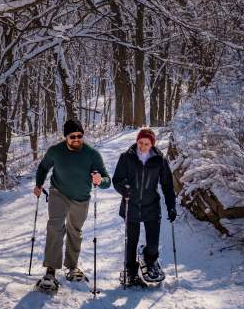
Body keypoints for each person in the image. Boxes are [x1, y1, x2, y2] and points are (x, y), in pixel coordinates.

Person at [33, 119, 111, 291]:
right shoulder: (56, 151)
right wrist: (39, 185)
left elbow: (107, 181)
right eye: (72, 136)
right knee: (55, 227)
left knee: (75, 230)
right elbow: (44, 166)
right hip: (58, 192)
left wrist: (100, 180)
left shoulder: (92, 154)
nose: (77, 139)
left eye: (80, 136)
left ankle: (72, 266)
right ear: (66, 137)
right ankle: (51, 270)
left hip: (81, 197)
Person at [112, 128, 176, 286]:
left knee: (153, 243)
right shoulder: (126, 157)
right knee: (131, 242)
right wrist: (124, 189)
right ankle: (130, 271)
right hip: (131, 206)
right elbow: (117, 179)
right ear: (137, 141)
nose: (142, 146)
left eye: (146, 143)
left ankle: (149, 259)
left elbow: (167, 185)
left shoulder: (159, 160)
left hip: (151, 206)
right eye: (140, 142)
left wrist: (171, 206)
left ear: (152, 144)